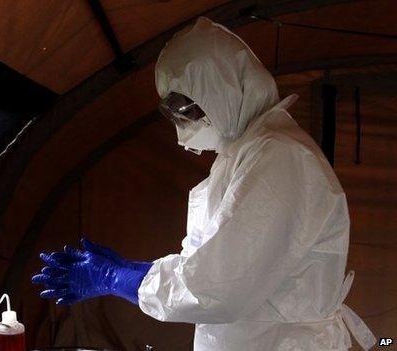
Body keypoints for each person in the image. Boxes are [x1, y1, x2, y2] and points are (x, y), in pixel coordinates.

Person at [31, 17, 376, 350]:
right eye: (172, 112)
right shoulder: (244, 154)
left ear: (223, 90)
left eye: (188, 108)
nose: (182, 124)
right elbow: (208, 264)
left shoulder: (280, 158)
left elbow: (218, 287)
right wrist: (131, 270)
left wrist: (113, 278)